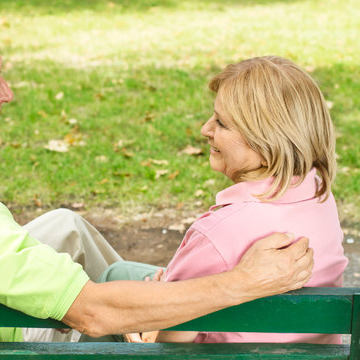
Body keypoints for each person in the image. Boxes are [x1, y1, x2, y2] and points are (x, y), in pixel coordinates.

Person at [0, 4, 313, 343]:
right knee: (108, 307)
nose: (7, 93)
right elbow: (92, 315)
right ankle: (154, 321)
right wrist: (243, 283)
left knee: (67, 225)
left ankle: (159, 297)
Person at [113, 56, 348, 344]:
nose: (205, 129)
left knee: (111, 279)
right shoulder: (319, 192)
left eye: (222, 123)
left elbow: (169, 343)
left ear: (266, 144)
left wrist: (142, 334)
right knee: (114, 269)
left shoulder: (217, 234)